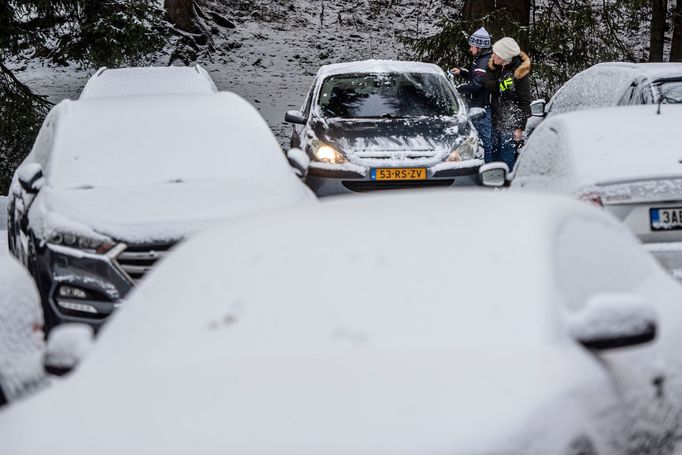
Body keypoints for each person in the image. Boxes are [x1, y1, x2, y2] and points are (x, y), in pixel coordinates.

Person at [484, 37, 532, 171]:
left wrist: (519, 127)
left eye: (496, 54)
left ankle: (507, 186)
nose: (492, 55)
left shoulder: (519, 72)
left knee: (507, 158)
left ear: (505, 57)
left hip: (511, 121)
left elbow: (525, 100)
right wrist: (501, 85)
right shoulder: (493, 65)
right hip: (494, 118)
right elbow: (487, 84)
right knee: (493, 156)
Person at [450, 27, 494, 162]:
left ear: (479, 47)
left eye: (472, 46)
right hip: (478, 105)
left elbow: (476, 84)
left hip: (482, 107)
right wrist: (462, 72)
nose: (470, 49)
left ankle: (488, 169)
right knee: (480, 141)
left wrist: (456, 89)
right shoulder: (481, 59)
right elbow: (474, 76)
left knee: (485, 142)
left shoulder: (484, 61)